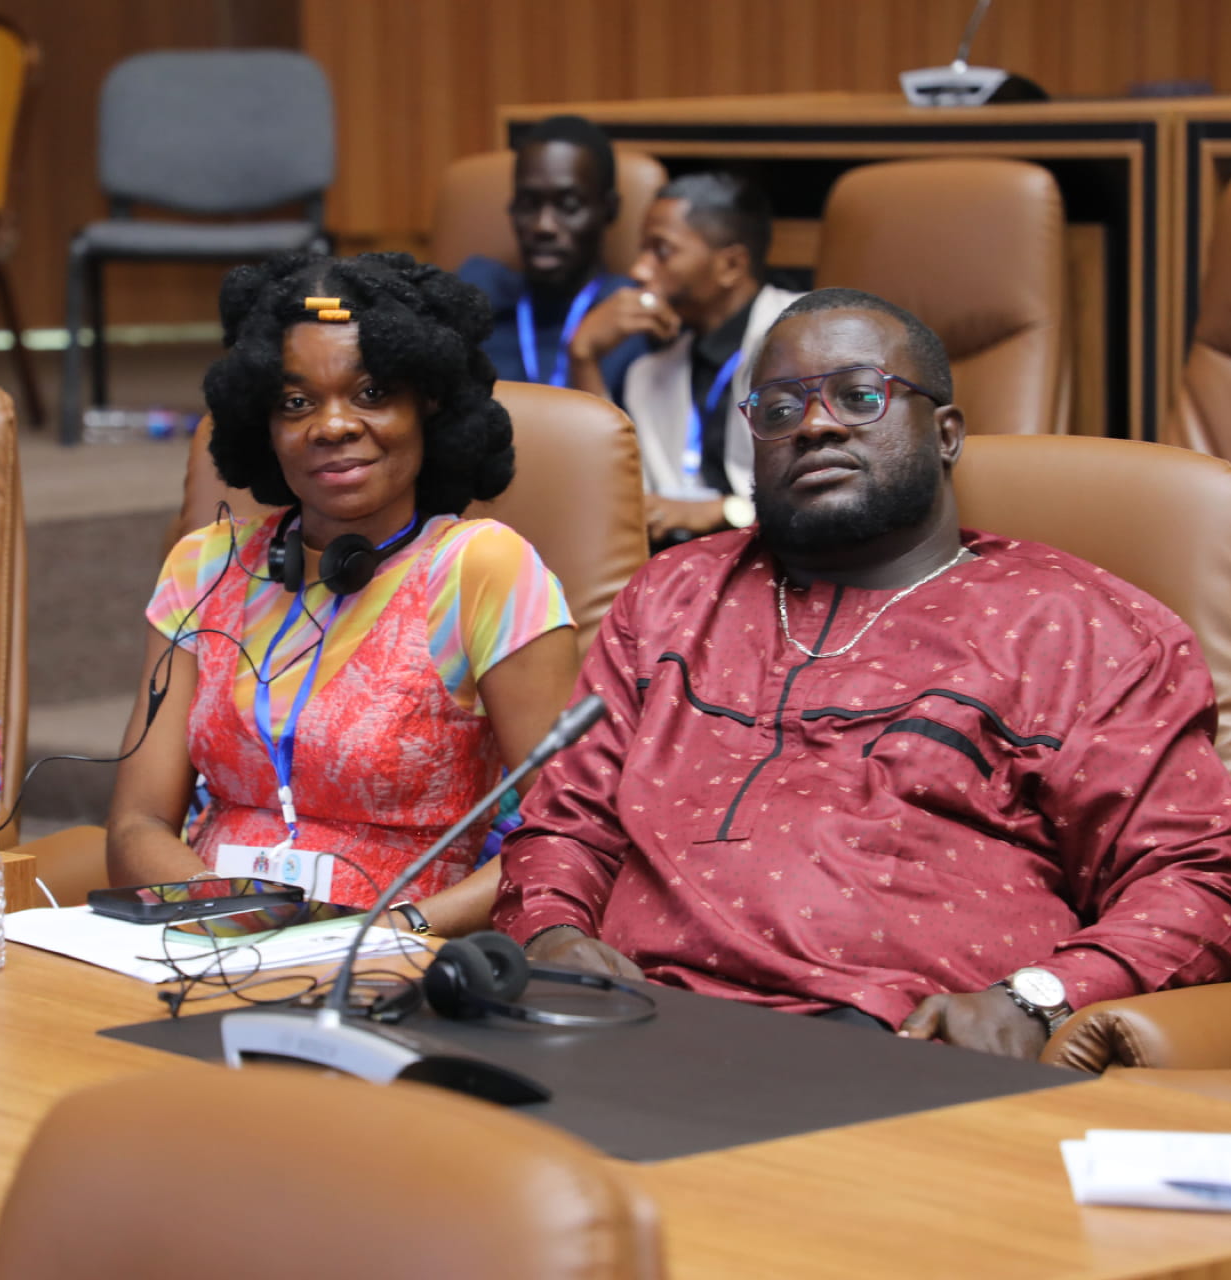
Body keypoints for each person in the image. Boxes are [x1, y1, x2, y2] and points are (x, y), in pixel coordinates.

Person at [493, 288, 1231, 1060]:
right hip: (626, 1029)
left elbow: (1205, 893)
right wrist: (553, 935)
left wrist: (1038, 999)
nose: (816, 425)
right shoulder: (671, 598)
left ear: (946, 434)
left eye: (860, 397)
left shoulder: (1078, 628)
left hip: (886, 1047)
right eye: (777, 409)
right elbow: (567, 825)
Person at [107, 252, 580, 938]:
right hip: (202, 940)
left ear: (430, 402)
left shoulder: (482, 568)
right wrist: (240, 925)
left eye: (370, 394)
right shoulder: (203, 565)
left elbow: (566, 835)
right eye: (296, 403)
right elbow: (136, 822)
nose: (331, 425)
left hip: (395, 957)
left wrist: (387, 933)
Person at [568, 172, 804, 547]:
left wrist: (726, 512)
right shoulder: (648, 372)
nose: (639, 271)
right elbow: (616, 496)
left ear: (730, 266)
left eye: (660, 250)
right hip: (677, 569)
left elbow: (834, 489)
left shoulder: (805, 339)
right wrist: (584, 356)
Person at [455, 115, 649, 399]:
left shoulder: (634, 322)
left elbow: (637, 442)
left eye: (568, 206)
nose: (543, 226)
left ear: (609, 209)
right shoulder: (473, 300)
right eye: (528, 204)